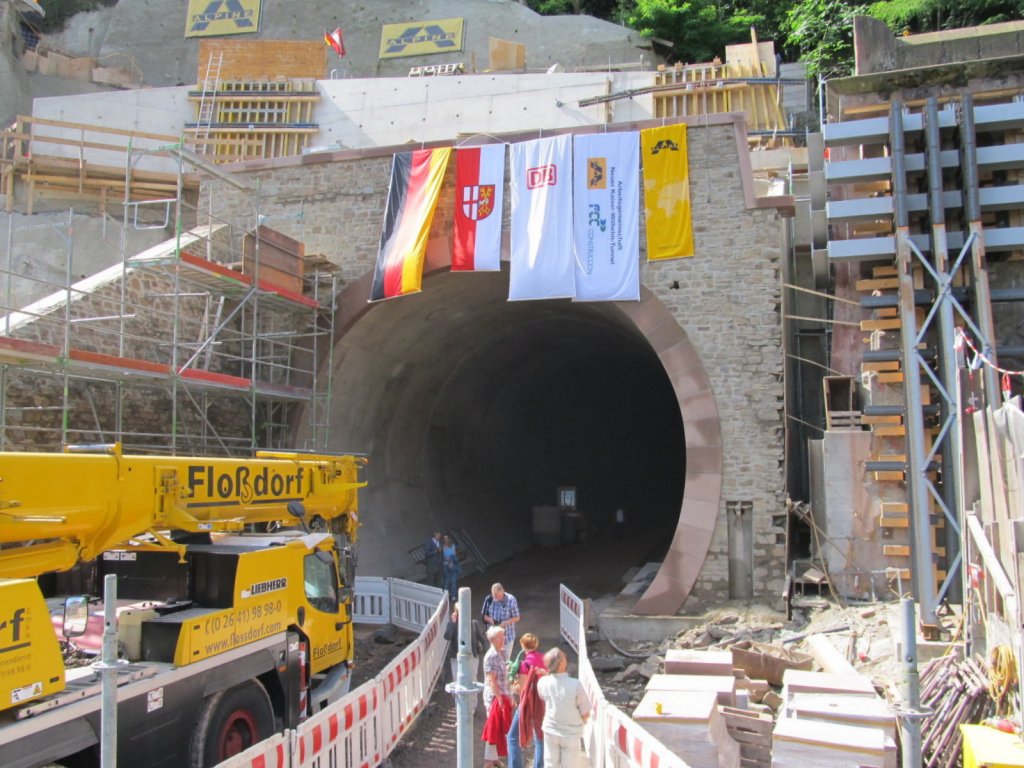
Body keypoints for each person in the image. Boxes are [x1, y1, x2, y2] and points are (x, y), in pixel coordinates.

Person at [536, 648, 591, 768]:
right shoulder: (575, 684)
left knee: (550, 764)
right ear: (561, 664)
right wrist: (582, 721)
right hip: (571, 732)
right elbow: (586, 711)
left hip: (551, 729)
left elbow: (542, 696)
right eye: (564, 658)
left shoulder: (542, 682)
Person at [507, 633, 547, 768]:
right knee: (540, 738)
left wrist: (512, 682)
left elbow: (522, 689)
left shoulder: (525, 663)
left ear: (523, 645)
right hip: (544, 701)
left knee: (512, 737)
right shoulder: (544, 658)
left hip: (529, 702)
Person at [481, 625, 513, 768]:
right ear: (493, 639)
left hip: (503, 694)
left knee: (498, 728)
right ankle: (488, 761)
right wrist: (499, 698)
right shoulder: (491, 656)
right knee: (493, 728)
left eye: (504, 635)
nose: (504, 638)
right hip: (495, 697)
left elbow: (506, 676)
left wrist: (510, 695)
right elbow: (491, 680)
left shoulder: (503, 652)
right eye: (501, 636)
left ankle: (493, 758)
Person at [446, 604, 487, 686]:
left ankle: (473, 698)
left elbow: (482, 639)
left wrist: (486, 654)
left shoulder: (474, 623)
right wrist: (453, 623)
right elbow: (447, 636)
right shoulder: (452, 625)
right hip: (456, 658)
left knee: (472, 680)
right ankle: (457, 699)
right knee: (457, 682)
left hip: (472, 657)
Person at [481, 582, 521, 647]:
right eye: (494, 596)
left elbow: (517, 617)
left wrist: (506, 622)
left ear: (503, 591)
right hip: (493, 637)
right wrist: (490, 620)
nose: (496, 598)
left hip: (507, 638)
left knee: (505, 657)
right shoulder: (488, 599)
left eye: (498, 596)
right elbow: (483, 616)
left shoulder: (511, 600)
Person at [442, 533, 461, 600]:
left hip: (452, 565)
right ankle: (445, 597)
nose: (446, 540)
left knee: (453, 581)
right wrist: (447, 560)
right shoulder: (442, 547)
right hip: (445, 565)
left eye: (447, 538)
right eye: (444, 538)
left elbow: (454, 555)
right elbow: (442, 556)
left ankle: (453, 596)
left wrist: (451, 562)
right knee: (446, 581)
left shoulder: (452, 546)